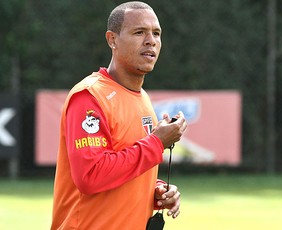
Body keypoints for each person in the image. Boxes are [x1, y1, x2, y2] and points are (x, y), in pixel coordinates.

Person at [51, 1, 187, 229]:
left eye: (156, 33)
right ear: (112, 39)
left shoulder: (142, 98)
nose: (150, 40)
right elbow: (91, 176)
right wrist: (157, 143)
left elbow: (125, 168)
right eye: (139, 32)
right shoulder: (90, 96)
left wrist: (156, 191)